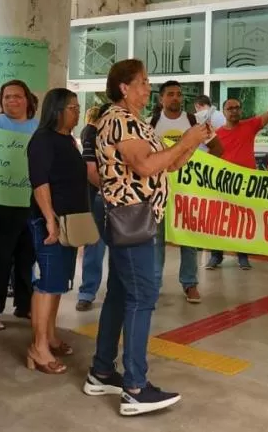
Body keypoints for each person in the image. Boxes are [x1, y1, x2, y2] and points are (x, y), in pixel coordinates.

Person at [85, 59, 208, 416]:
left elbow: (166, 165)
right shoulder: (119, 120)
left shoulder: (135, 122)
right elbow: (144, 166)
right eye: (142, 82)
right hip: (130, 217)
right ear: (124, 87)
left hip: (137, 217)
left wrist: (191, 145)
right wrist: (184, 138)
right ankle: (136, 388)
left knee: (122, 293)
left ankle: (102, 370)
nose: (147, 88)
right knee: (142, 296)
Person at [26, 88, 89, 374]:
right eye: (72, 107)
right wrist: (49, 219)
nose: (77, 111)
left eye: (77, 107)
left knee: (60, 282)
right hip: (50, 222)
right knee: (47, 283)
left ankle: (50, 335)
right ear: (57, 110)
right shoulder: (42, 140)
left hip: (71, 222)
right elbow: (40, 182)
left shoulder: (69, 141)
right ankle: (37, 348)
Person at [205, 81, 268, 270]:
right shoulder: (217, 135)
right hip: (223, 184)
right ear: (224, 112)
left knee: (243, 221)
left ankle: (243, 256)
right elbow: (210, 158)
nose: (234, 111)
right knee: (219, 220)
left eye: (237, 107)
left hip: (246, 185)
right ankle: (215, 256)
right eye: (230, 108)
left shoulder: (250, 126)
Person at [150, 80, 222, 303]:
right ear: (161, 98)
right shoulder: (150, 124)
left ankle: (190, 283)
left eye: (179, 94)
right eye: (170, 94)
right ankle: (153, 285)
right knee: (156, 240)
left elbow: (218, 148)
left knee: (188, 238)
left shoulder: (194, 123)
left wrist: (199, 167)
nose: (175, 98)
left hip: (188, 192)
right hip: (158, 192)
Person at [0, 80, 38, 330]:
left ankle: (24, 306)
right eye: (7, 97)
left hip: (31, 202)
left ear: (27, 99)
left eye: (17, 96)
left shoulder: (38, 127)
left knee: (27, 257)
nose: (12, 101)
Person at [77, 104, 110, 312]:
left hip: (125, 200)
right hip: (99, 195)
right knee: (95, 244)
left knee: (123, 247)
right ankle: (87, 292)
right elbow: (90, 170)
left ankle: (120, 291)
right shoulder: (92, 132)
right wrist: (111, 191)